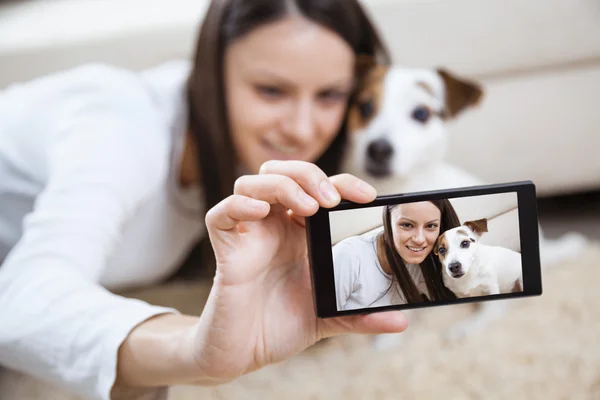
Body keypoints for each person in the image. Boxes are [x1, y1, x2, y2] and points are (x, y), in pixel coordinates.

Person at [0, 1, 411, 399]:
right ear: (212, 72)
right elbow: (21, 302)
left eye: (329, 96)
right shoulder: (120, 127)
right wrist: (195, 349)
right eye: (271, 90)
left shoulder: (257, 167)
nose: (302, 130)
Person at [333, 200, 460, 311]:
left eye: (431, 226)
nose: (419, 239)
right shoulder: (349, 255)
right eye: (407, 225)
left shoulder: (427, 262)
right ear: (388, 223)